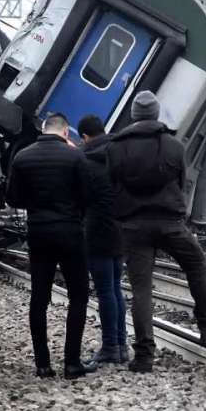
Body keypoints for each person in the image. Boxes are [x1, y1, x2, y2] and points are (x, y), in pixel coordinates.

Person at [107, 91, 206, 373]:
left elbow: (112, 185)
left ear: (135, 116)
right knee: (197, 265)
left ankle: (145, 356)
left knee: (141, 289)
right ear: (156, 114)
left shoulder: (115, 148)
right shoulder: (174, 146)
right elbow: (182, 181)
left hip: (134, 225)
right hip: (170, 222)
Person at [7, 113, 96, 380]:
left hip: (38, 232)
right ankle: (72, 363)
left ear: (43, 129)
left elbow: (13, 198)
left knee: (39, 297)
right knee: (78, 296)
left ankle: (42, 364)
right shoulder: (76, 157)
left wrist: (36, 205)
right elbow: (88, 196)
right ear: (65, 132)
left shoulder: (23, 156)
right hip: (70, 231)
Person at [77, 114, 127, 366]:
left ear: (84, 136)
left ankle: (110, 346)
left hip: (97, 230)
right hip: (120, 227)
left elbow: (81, 199)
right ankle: (121, 345)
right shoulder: (119, 153)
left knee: (105, 290)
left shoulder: (86, 161)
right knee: (116, 288)